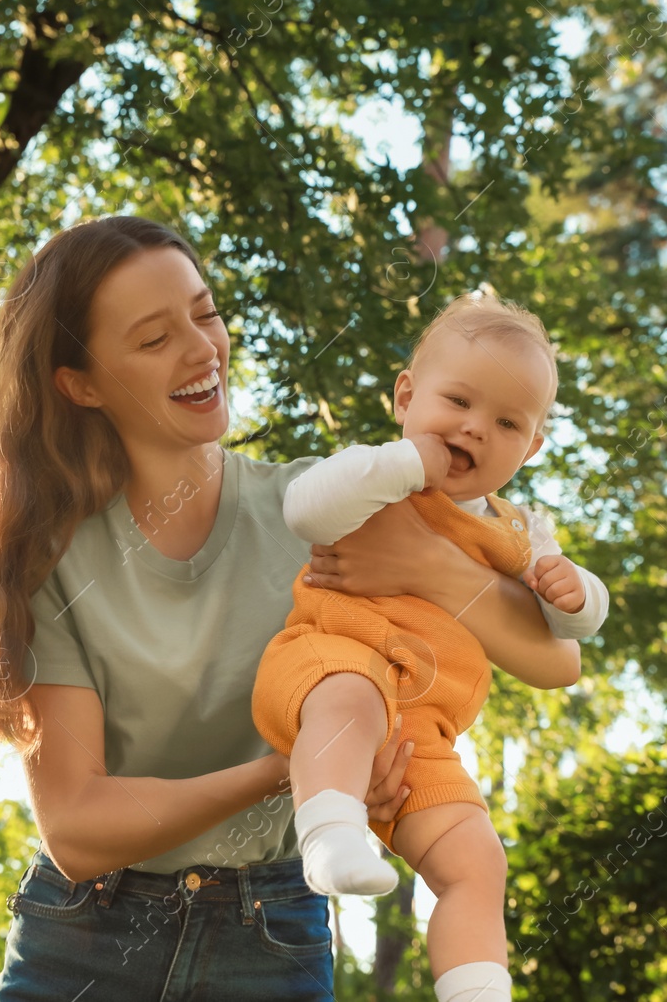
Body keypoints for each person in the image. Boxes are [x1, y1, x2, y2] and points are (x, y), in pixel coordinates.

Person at [0, 216, 582, 1001]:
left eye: (205, 312)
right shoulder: (52, 559)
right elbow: (80, 826)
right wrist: (292, 768)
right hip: (86, 941)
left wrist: (432, 566)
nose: (201, 349)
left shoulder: (316, 503)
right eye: (154, 338)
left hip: (271, 936)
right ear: (80, 381)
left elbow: (554, 657)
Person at [251, 291, 606, 1002]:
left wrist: (582, 595)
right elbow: (305, 508)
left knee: (477, 859)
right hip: (327, 669)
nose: (476, 429)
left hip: (423, 735)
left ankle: (476, 989)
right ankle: (329, 836)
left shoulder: (521, 530)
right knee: (352, 697)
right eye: (459, 402)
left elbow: (564, 641)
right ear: (406, 396)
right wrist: (406, 462)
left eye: (507, 422)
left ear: (532, 446)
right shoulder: (375, 476)